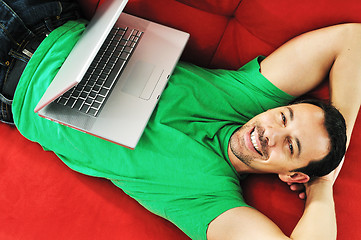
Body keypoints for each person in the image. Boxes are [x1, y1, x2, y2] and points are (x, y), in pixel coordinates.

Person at [2, 1, 361, 240]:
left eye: (291, 146)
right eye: (284, 118)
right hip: (42, 14)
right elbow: (352, 39)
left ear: (293, 174)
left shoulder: (209, 200)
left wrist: (322, 184)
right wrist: (337, 141)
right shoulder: (246, 98)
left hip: (9, 86)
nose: (270, 133)